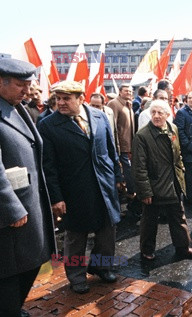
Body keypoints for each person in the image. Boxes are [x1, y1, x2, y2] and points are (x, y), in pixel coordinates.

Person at [38, 81, 122, 294]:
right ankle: (76, 276)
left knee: (107, 231)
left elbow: (111, 151)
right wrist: (56, 198)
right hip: (73, 191)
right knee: (76, 236)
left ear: (81, 98)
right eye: (58, 98)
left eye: (66, 98)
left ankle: (102, 267)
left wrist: (118, 177)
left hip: (104, 186)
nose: (61, 102)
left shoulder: (100, 116)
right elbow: (48, 166)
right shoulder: (48, 125)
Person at [0, 58, 56, 317]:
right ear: (2, 82)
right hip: (11, 211)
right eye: (21, 85)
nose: (27, 90)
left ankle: (13, 307)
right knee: (10, 269)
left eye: (28, 84)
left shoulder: (16, 106)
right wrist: (11, 208)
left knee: (32, 261)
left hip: (29, 200)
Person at [132, 100, 192, 260]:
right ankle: (147, 250)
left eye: (160, 112)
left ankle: (183, 247)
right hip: (154, 185)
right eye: (153, 112)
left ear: (167, 115)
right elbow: (139, 167)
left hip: (173, 182)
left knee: (179, 217)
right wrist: (145, 191)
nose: (156, 116)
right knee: (149, 221)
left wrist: (181, 170)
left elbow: (178, 154)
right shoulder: (142, 135)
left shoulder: (172, 128)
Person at [107, 84, 135, 201]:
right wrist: (116, 145)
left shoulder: (128, 104)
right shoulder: (114, 103)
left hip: (129, 144)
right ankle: (129, 192)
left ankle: (128, 190)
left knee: (128, 169)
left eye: (130, 91)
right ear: (120, 91)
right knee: (126, 169)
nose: (128, 93)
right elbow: (112, 126)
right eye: (126, 91)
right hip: (120, 145)